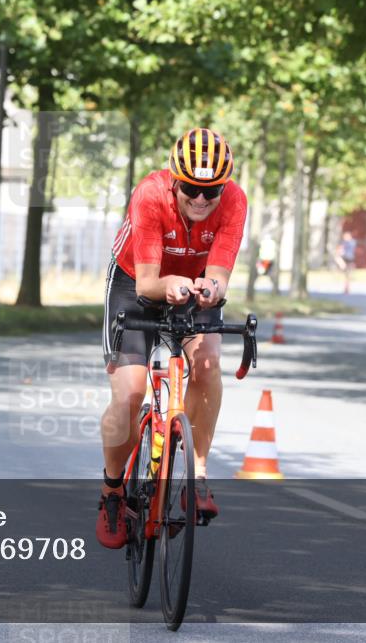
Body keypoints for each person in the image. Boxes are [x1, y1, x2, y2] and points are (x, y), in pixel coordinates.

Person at [97, 127, 247, 549]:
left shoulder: (234, 201)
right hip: (135, 283)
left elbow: (218, 274)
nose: (201, 199)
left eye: (211, 190)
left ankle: (196, 477)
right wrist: (171, 284)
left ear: (225, 187)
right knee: (129, 392)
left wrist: (211, 289)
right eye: (191, 188)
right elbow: (147, 284)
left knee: (207, 363)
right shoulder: (149, 195)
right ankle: (111, 491)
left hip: (193, 286)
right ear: (173, 179)